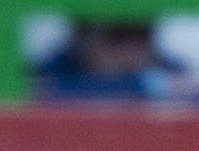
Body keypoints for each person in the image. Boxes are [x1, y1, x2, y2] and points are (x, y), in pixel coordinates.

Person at [32, 17, 197, 102]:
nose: (132, 50)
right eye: (118, 36)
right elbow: (44, 90)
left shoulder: (167, 67)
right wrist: (150, 85)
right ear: (84, 38)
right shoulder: (54, 69)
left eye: (141, 34)